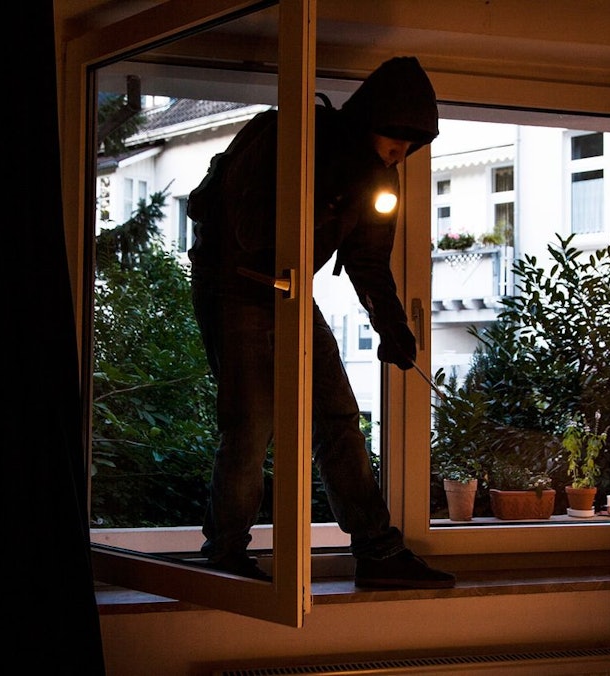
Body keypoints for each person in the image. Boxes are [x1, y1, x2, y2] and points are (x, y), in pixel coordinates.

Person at [187, 56, 455, 589]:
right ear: (370, 121)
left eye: (410, 148)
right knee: (249, 427)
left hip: (288, 291)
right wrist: (337, 191)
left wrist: (392, 327)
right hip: (233, 283)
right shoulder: (288, 136)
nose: (400, 157)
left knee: (337, 419)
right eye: (396, 143)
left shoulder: (376, 177)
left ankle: (378, 554)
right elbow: (249, 228)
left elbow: (369, 261)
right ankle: (224, 557)